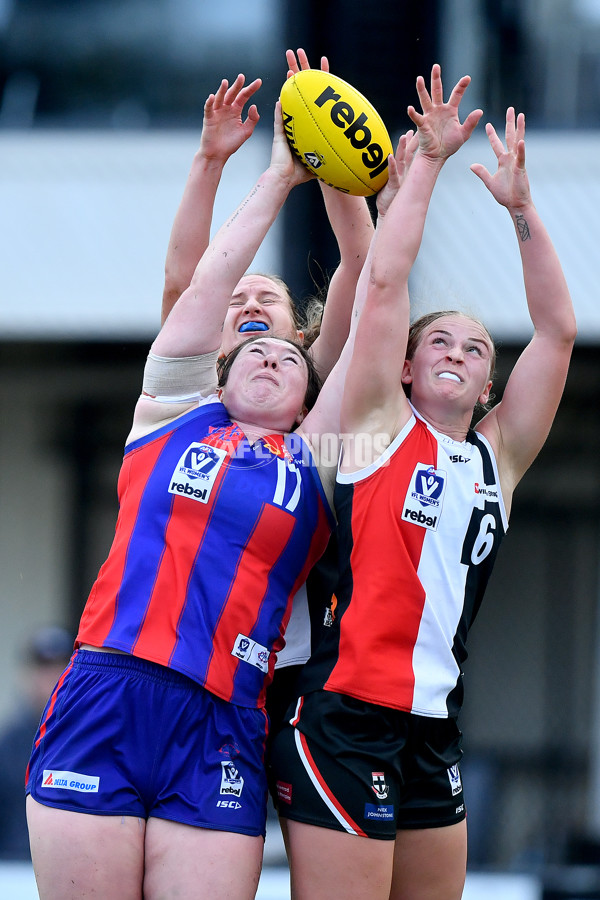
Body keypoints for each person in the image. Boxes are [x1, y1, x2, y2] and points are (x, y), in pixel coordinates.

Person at [24, 98, 359, 900]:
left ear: (307, 357)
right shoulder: (175, 405)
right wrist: (243, 167)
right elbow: (190, 288)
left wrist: (346, 167)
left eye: (271, 317)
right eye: (236, 310)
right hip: (115, 681)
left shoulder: (324, 447)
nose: (249, 317)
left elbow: (368, 298)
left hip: (237, 703)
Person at [269, 64, 576, 900]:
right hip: (344, 715)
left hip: (432, 726)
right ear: (404, 369)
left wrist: (520, 210)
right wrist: (430, 167)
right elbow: (382, 282)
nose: (458, 353)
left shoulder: (496, 458)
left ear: (488, 390)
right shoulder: (375, 426)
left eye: (476, 351)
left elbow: (555, 332)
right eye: (439, 343)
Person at [158, 50, 375, 727]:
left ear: (300, 337)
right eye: (237, 298)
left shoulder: (315, 392)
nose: (248, 299)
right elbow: (184, 282)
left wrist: (327, 153)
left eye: (268, 298)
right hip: (178, 655)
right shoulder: (189, 394)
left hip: (290, 666)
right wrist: (210, 162)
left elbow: (363, 268)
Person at [0, 626, 73, 860]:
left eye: (59, 667)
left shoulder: (90, 740)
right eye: (42, 668)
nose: (50, 678)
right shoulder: (8, 745)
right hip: (14, 872)